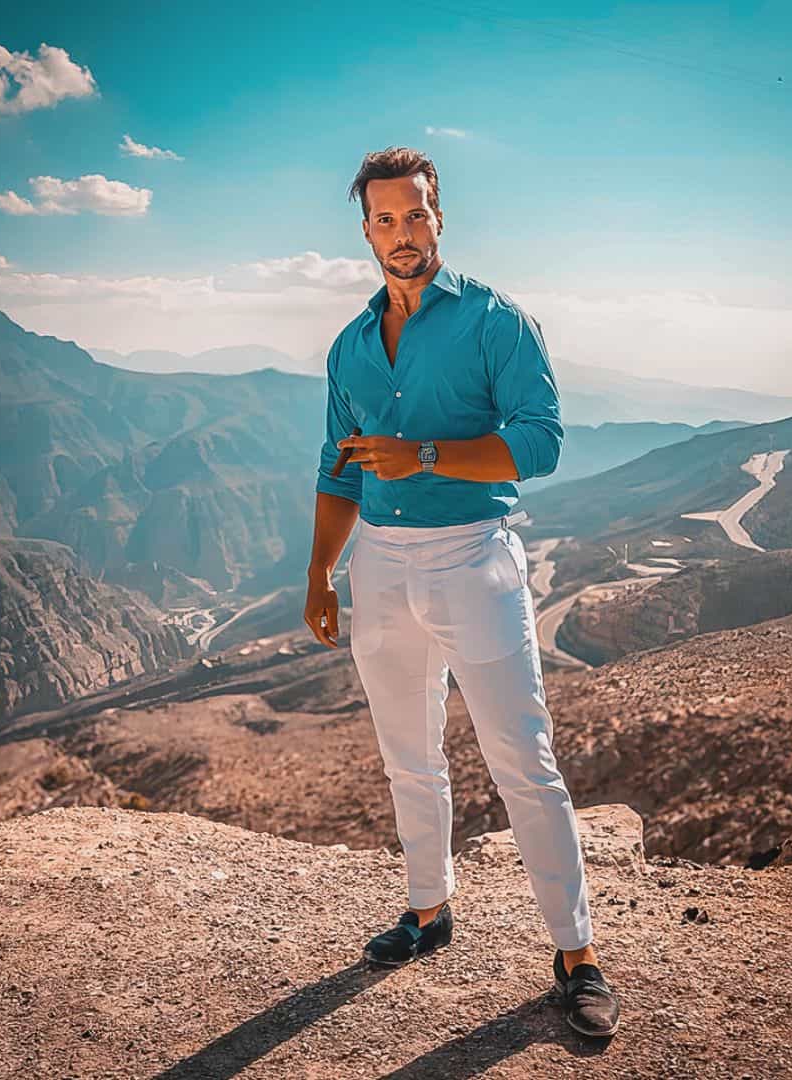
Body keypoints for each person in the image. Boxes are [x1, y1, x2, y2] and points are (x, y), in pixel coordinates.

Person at [302, 146, 622, 1038]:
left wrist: (427, 456)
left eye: (416, 215)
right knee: (408, 753)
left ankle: (578, 954)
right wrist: (321, 572)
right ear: (364, 229)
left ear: (440, 217)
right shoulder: (350, 346)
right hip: (379, 563)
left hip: (474, 555)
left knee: (524, 758)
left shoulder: (496, 321)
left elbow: (543, 442)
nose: (401, 234)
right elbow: (336, 469)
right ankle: (428, 910)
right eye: (384, 219)